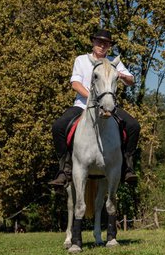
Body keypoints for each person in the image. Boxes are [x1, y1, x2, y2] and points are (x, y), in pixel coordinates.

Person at [49, 29, 140, 187]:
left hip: (108, 106)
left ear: (110, 46)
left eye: (106, 43)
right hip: (83, 106)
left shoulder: (113, 61)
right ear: (93, 42)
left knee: (133, 126)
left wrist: (122, 76)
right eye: (99, 42)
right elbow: (75, 84)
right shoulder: (81, 60)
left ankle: (127, 167)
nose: (102, 45)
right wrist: (92, 98)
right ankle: (65, 169)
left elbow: (131, 80)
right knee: (58, 126)